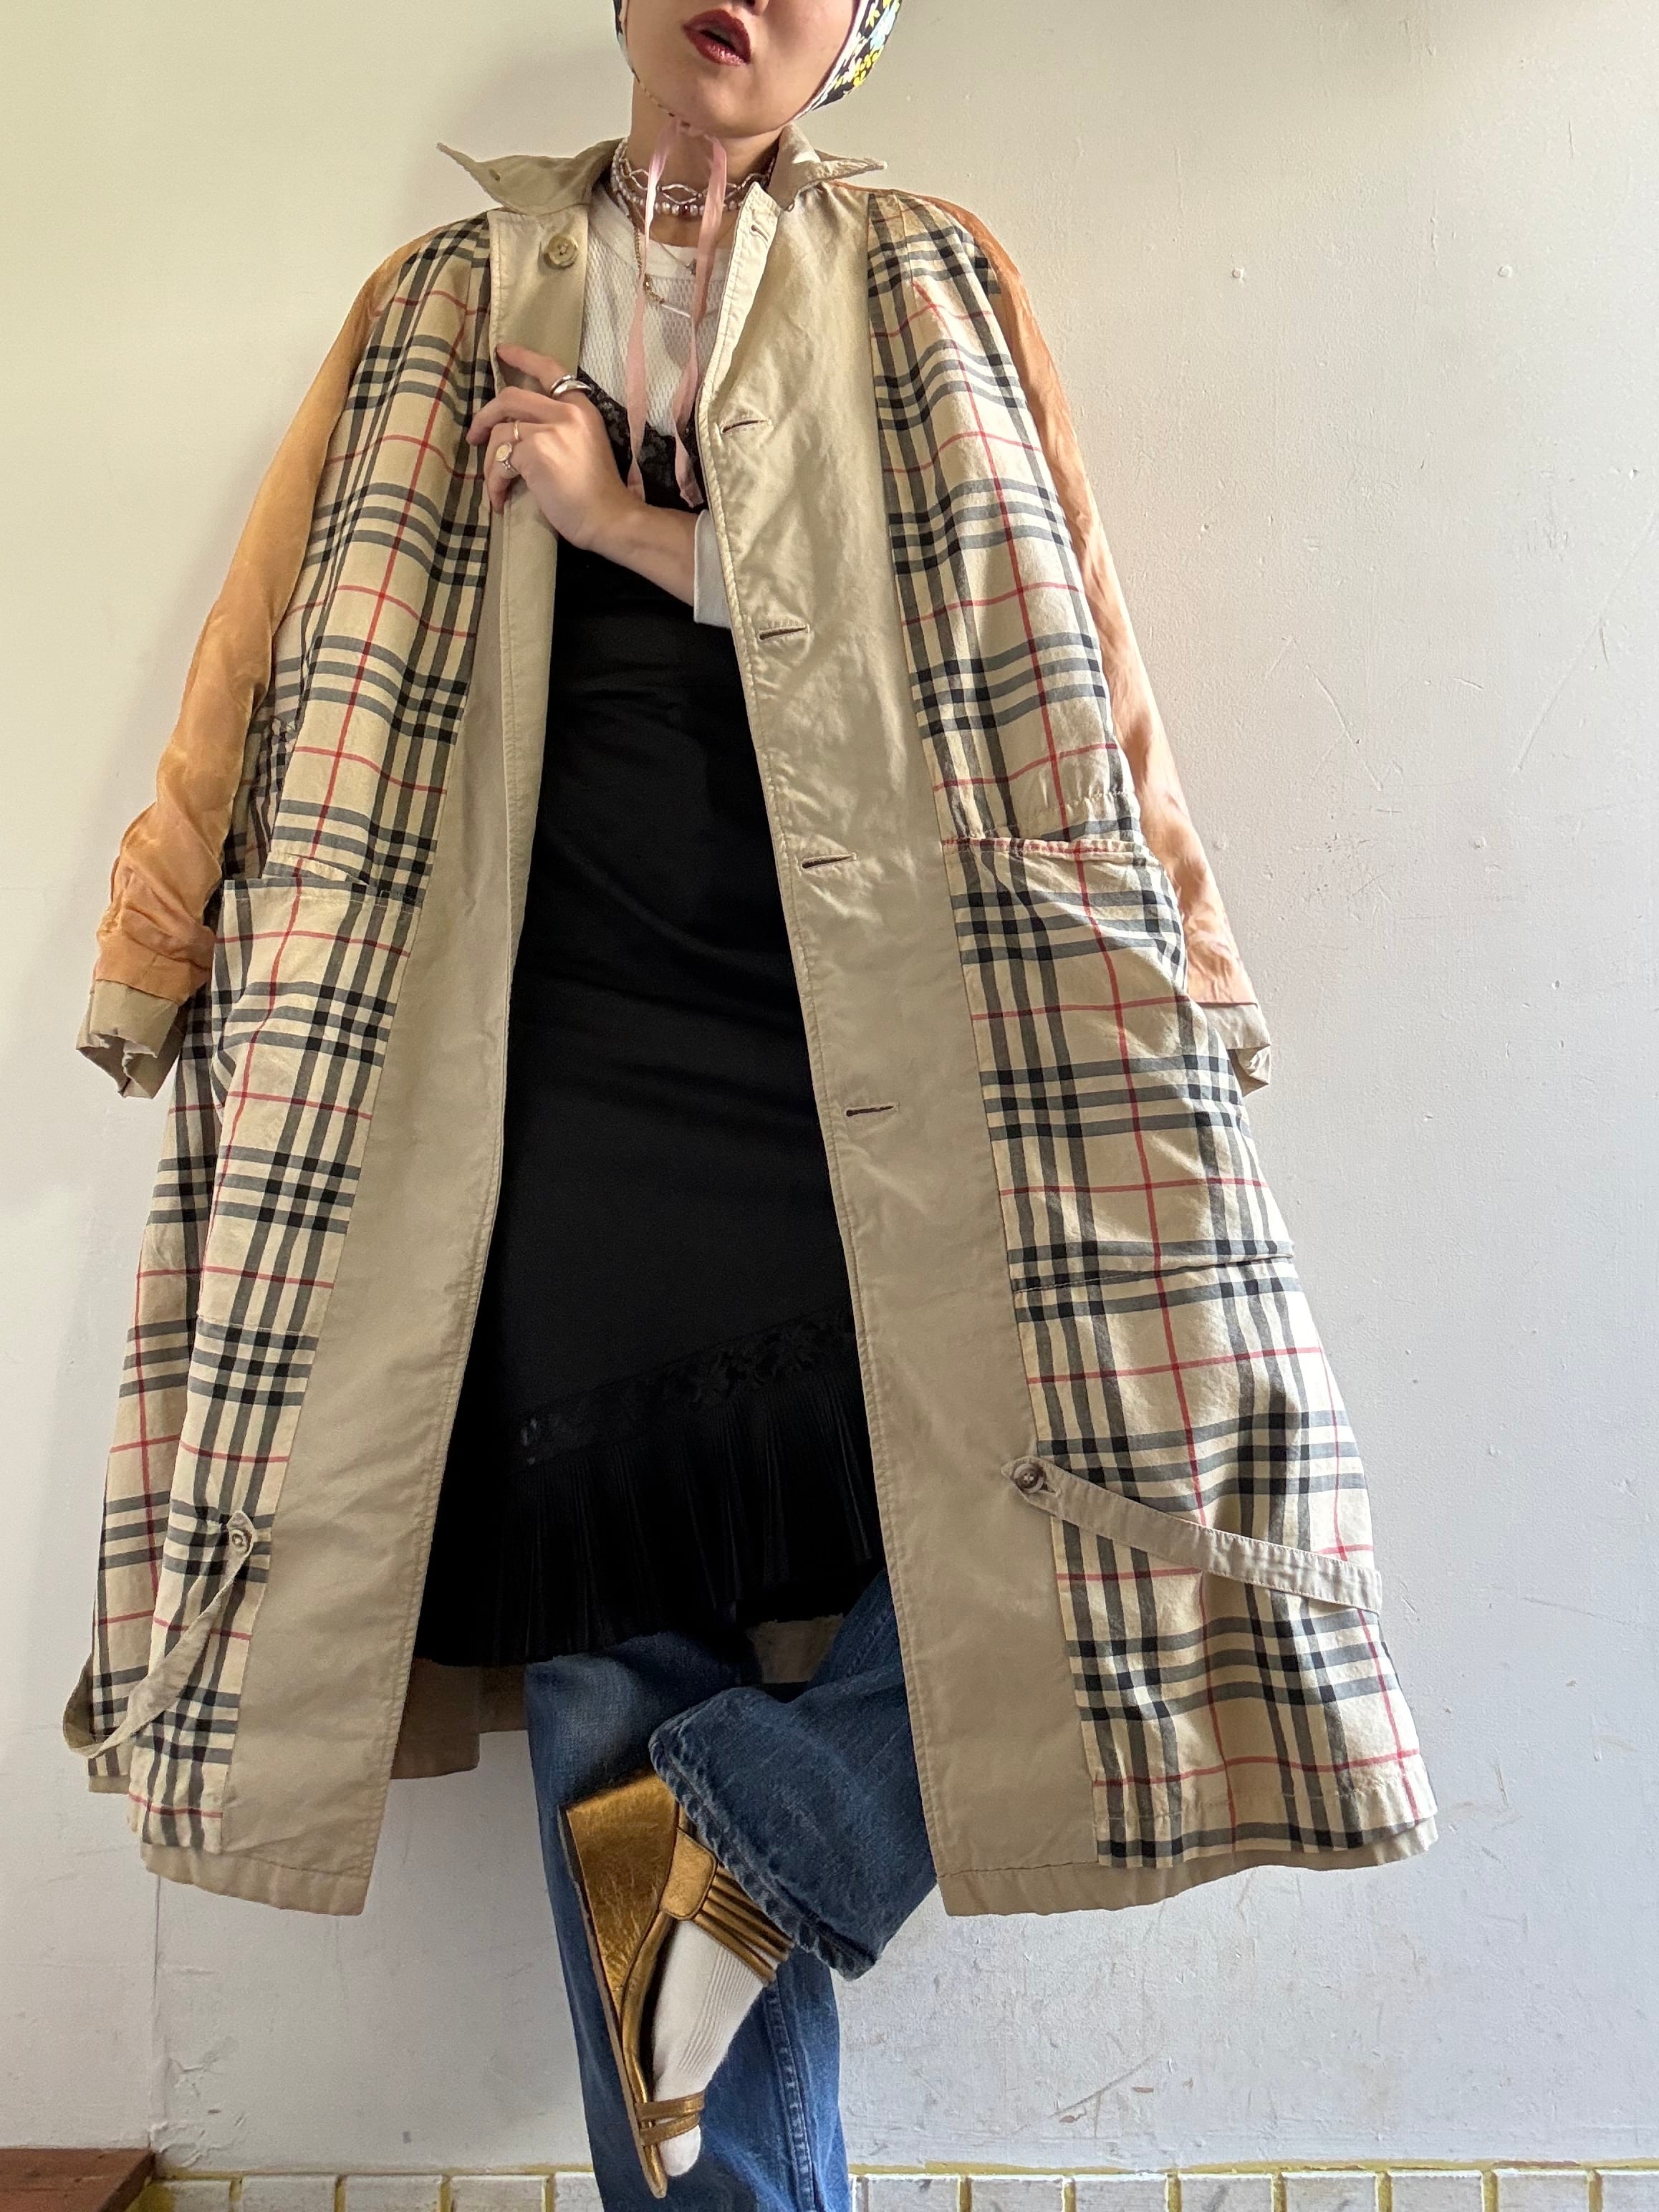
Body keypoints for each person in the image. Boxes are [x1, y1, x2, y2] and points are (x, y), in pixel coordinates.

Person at [66, 6, 1438, 2210]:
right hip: (546, 1045)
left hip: (895, 1026)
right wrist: (157, 945)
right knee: (617, 1641)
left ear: (856, 41)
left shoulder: (926, 280)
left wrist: (1184, 953)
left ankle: (759, 1836)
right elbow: (262, 646)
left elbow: (1053, 646)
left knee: (1137, 1481)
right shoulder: (436, 299)